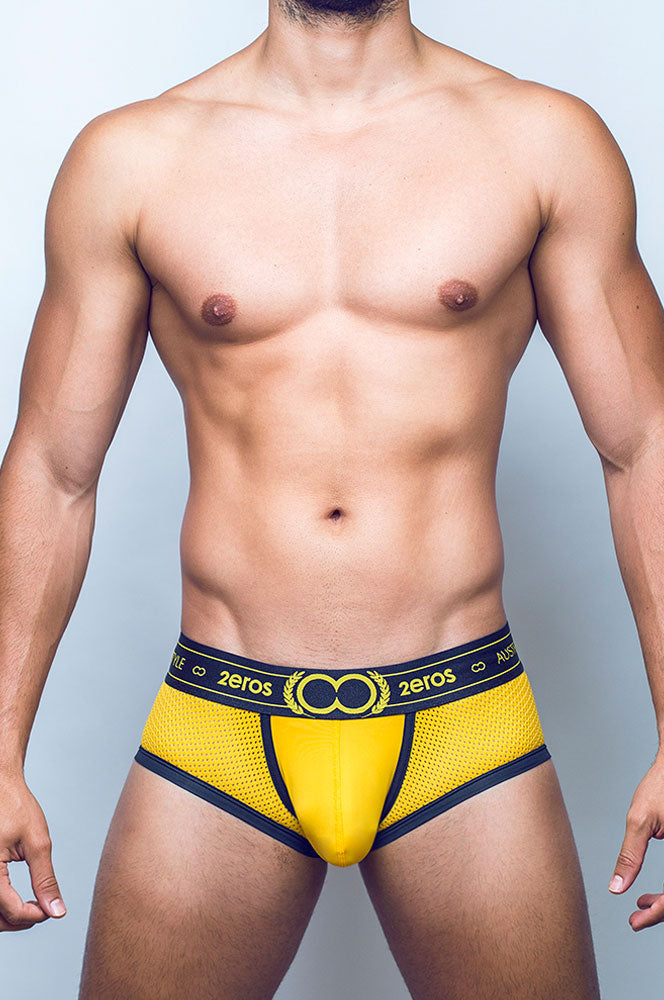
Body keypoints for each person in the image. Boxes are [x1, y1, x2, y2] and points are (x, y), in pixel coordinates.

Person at [1, 0, 663, 996]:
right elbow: (54, 468)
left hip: (461, 719)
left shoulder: (540, 140)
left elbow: (643, 445)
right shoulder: (134, 159)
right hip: (221, 725)